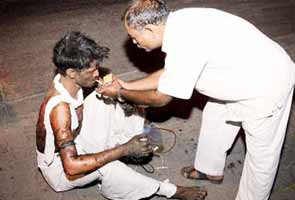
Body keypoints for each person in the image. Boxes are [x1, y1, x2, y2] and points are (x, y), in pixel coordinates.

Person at [97, 0, 295, 199]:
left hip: (268, 83)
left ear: (149, 29)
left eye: (134, 37)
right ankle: (209, 169)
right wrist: (127, 85)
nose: (134, 42)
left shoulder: (185, 40)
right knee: (215, 115)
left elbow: (161, 97)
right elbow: (170, 73)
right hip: (241, 73)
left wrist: (120, 94)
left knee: (261, 159)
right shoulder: (176, 23)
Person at [36, 31, 207, 200]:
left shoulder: (65, 79)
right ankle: (169, 190)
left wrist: (120, 96)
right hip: (61, 170)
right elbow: (72, 167)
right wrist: (124, 149)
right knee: (110, 167)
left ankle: (124, 143)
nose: (97, 74)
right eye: (92, 71)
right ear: (72, 72)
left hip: (78, 139)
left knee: (106, 96)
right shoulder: (60, 110)